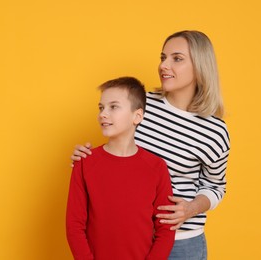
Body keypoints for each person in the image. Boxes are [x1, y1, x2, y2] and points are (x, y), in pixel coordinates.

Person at [70, 30, 230, 260]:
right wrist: (84, 157)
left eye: (176, 58)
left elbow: (216, 185)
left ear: (200, 66)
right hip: (134, 240)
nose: (164, 65)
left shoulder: (215, 130)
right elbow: (118, 154)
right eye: (162, 57)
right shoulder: (141, 104)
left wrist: (192, 208)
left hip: (182, 243)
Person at [66, 77, 175, 260]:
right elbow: (74, 226)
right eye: (101, 108)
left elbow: (165, 228)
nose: (103, 114)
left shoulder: (156, 167)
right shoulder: (84, 163)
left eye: (113, 107)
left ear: (137, 116)